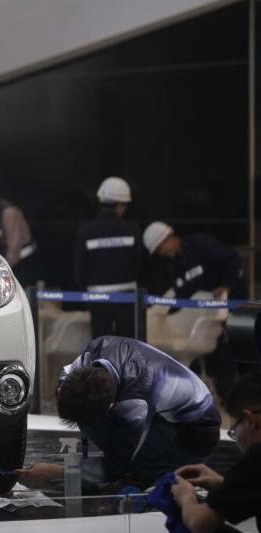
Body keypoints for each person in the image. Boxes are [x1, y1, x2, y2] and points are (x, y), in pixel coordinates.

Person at [17, 336, 221, 489]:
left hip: (195, 436)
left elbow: (115, 465)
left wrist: (59, 472)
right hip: (161, 412)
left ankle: (153, 471)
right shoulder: (92, 353)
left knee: (123, 469)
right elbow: (65, 380)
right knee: (93, 423)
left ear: (111, 405)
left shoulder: (135, 404)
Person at [143, 221, 246, 397]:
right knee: (213, 354)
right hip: (205, 314)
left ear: (169, 237)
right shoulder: (174, 265)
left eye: (162, 248)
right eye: (159, 252)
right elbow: (182, 294)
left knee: (233, 349)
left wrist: (226, 286)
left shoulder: (201, 244)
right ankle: (217, 394)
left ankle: (239, 396)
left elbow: (232, 260)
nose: (163, 254)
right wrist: (161, 310)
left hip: (232, 299)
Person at [171, 371, 261, 532]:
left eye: (233, 431)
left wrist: (186, 497)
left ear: (249, 420)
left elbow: (198, 523)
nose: (235, 437)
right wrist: (224, 484)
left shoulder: (257, 457)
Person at [73, 177, 142, 338]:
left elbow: (79, 269)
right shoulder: (132, 230)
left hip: (97, 298)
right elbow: (138, 265)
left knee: (102, 346)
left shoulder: (85, 232)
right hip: (127, 297)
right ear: (120, 204)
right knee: (127, 345)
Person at [0, 196, 39, 287]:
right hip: (4, 258)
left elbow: (14, 249)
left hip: (22, 260)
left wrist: (1, 272)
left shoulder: (10, 212)